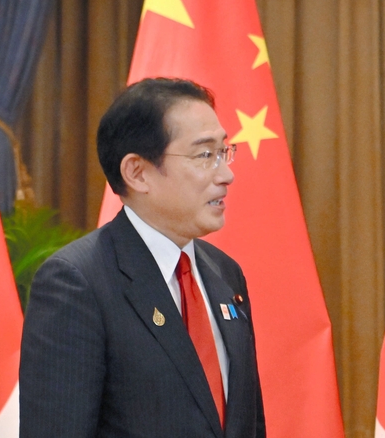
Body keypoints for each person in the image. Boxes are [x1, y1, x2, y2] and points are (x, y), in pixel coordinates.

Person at [20, 78, 266, 437]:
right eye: (204, 155)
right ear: (137, 173)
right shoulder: (77, 283)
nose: (226, 174)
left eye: (224, 151)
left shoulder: (225, 274)